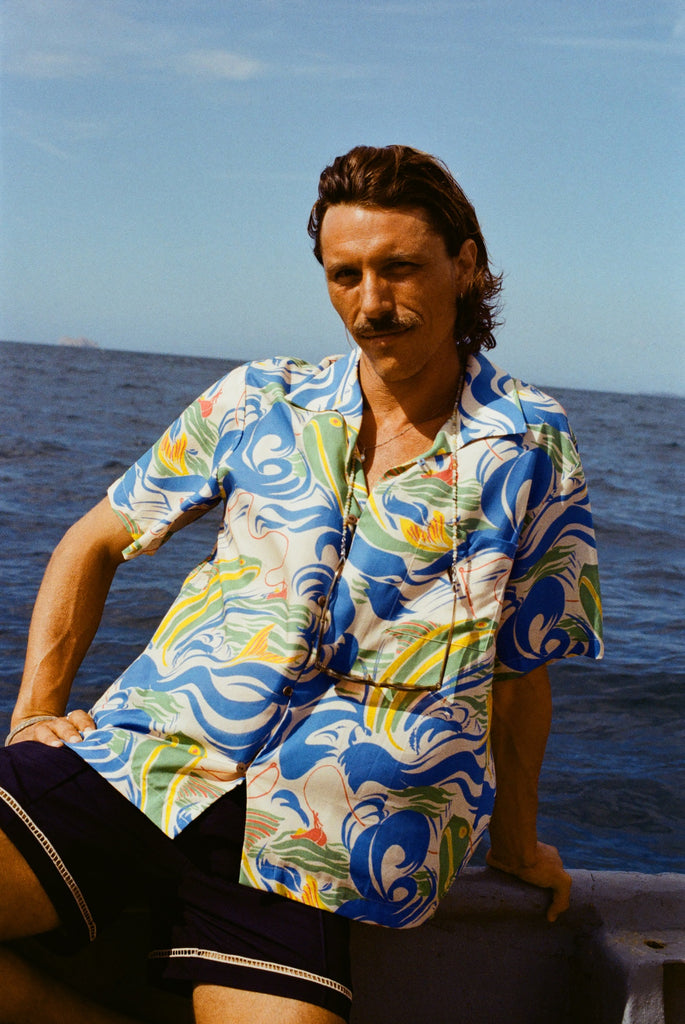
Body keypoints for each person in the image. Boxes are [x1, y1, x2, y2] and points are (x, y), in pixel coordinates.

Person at [0, 145, 603, 1024]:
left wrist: (515, 844)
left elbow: (520, 666)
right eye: (344, 274)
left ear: (465, 265)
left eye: (400, 268)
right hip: (147, 759)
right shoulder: (258, 399)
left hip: (330, 828)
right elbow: (94, 539)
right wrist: (32, 716)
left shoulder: (528, 444)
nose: (371, 303)